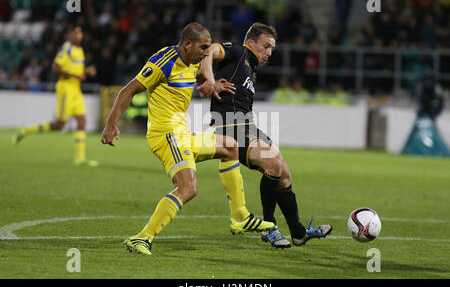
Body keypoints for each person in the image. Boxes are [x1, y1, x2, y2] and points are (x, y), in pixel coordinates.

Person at [100, 22, 274, 256]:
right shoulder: (165, 60)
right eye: (203, 47)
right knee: (188, 188)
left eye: (208, 48)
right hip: (166, 135)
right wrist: (111, 124)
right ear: (187, 44)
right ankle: (141, 238)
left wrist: (211, 85)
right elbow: (128, 90)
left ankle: (240, 216)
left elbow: (195, 78)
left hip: (183, 134)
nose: (206, 52)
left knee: (231, 147)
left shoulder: (192, 62)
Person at [198, 22, 332, 248]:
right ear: (251, 42)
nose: (269, 52)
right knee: (274, 165)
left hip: (248, 126)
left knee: (285, 176)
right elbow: (208, 51)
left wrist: (207, 81)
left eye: (272, 49)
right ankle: (269, 227)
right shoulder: (239, 52)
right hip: (229, 127)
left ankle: (298, 232)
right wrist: (209, 81)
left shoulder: (250, 67)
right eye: (266, 46)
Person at [12, 26, 98, 167]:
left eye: (80, 32)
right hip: (66, 88)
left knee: (82, 121)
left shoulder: (80, 51)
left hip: (76, 89)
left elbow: (76, 69)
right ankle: (24, 131)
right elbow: (56, 67)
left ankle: (80, 158)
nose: (79, 35)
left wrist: (86, 71)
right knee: (59, 125)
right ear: (70, 35)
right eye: (76, 32)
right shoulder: (66, 48)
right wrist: (76, 75)